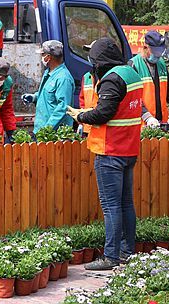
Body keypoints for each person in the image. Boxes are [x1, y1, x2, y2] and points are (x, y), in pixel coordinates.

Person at [67, 37, 143, 271]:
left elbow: (103, 114)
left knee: (111, 207)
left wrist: (80, 116)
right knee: (126, 204)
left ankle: (111, 257)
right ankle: (126, 252)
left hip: (110, 150)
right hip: (129, 148)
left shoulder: (111, 79)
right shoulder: (131, 74)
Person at [22, 41, 75, 134]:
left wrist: (46, 130)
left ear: (48, 57)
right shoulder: (48, 73)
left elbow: (63, 107)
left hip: (54, 134)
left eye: (43, 54)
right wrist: (34, 97)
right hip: (41, 130)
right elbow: (48, 95)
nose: (41, 57)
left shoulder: (63, 78)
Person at [129, 31, 169, 127]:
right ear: (145, 48)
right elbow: (132, 98)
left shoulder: (162, 65)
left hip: (161, 123)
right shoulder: (133, 65)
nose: (158, 55)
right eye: (155, 52)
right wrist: (147, 117)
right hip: (142, 125)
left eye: (160, 52)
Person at [78, 69, 98, 135]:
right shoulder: (86, 77)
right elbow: (82, 100)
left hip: (100, 126)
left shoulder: (108, 76)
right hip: (87, 125)